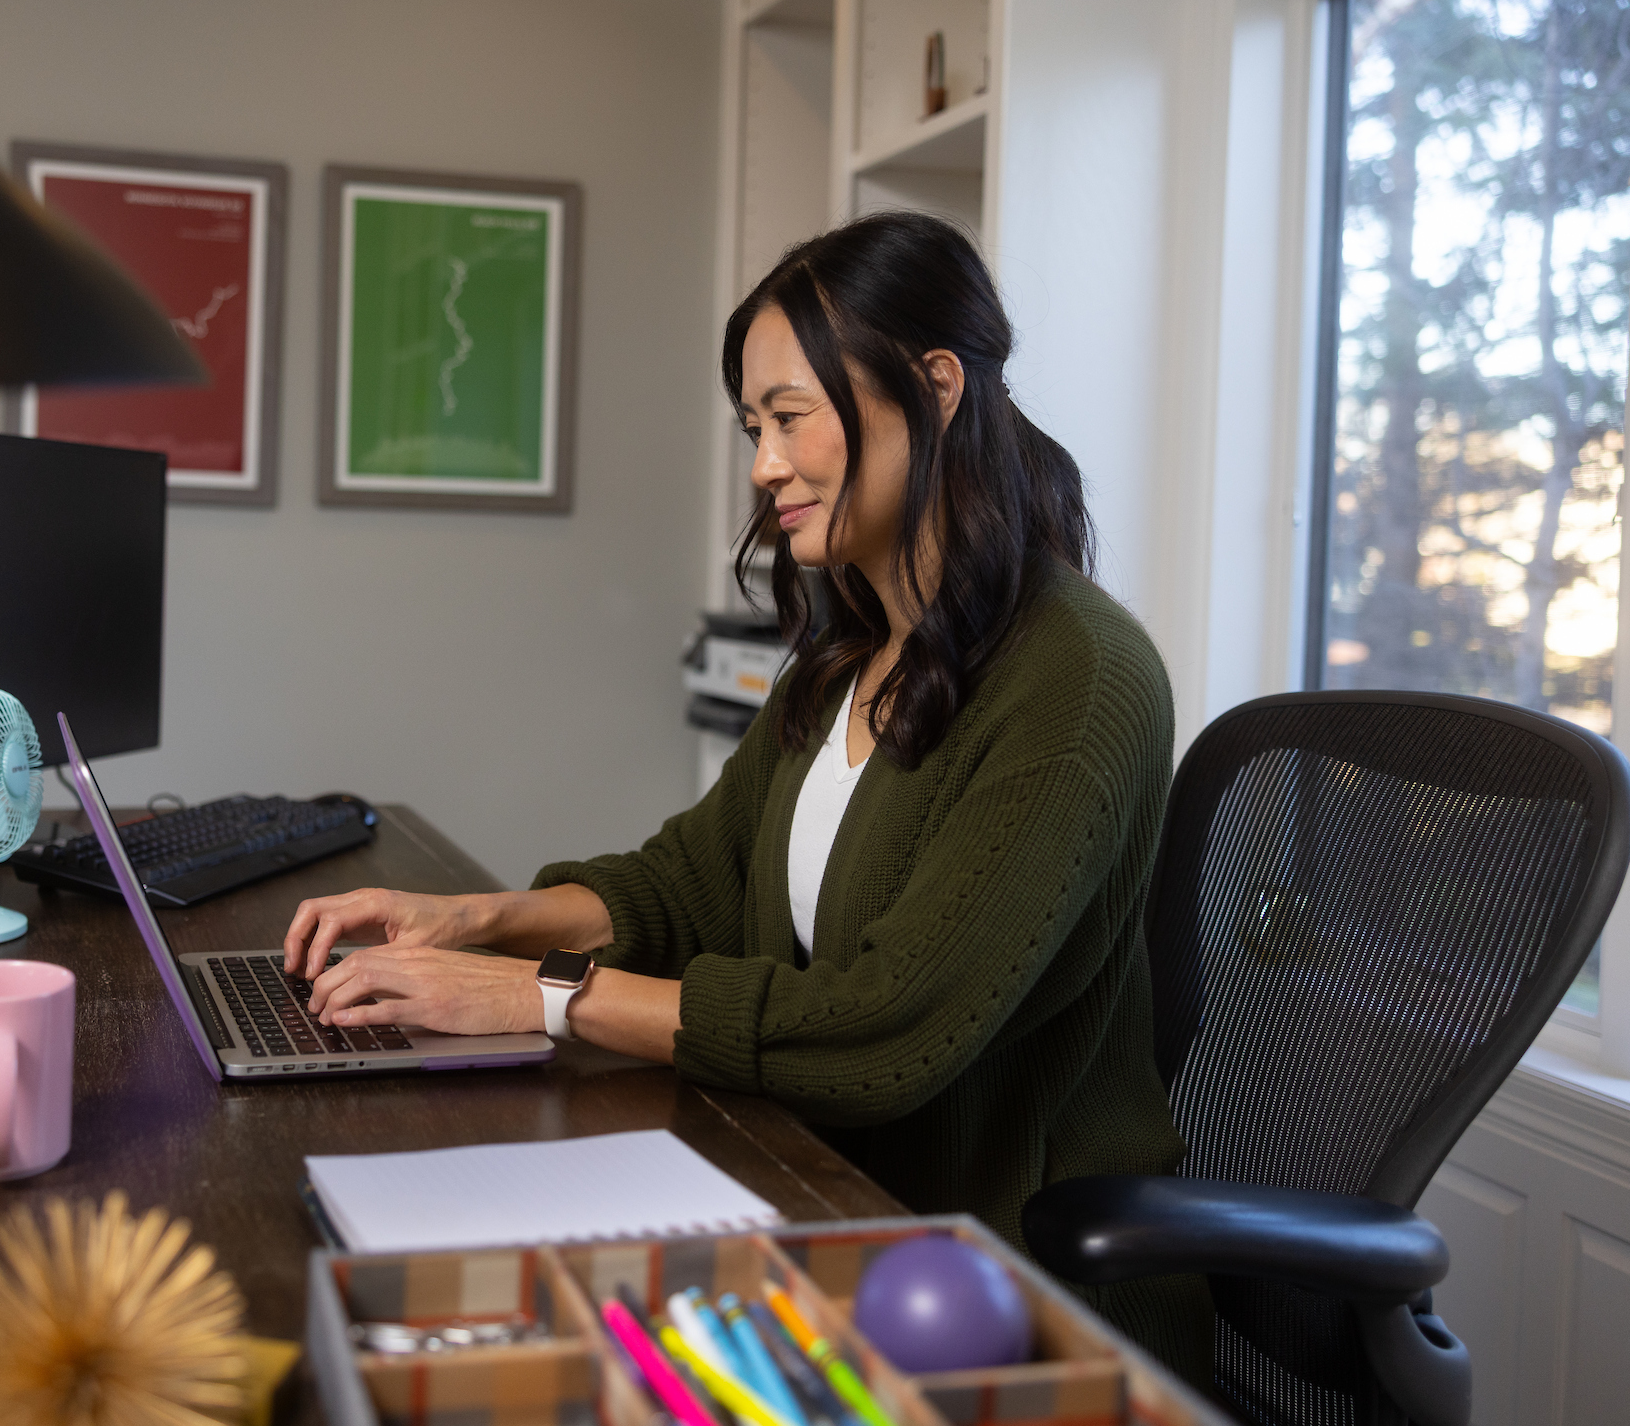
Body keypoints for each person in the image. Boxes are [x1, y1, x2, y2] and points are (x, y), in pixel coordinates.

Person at [283, 211, 1212, 1377]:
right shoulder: (853, 649)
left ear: (933, 388)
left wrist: (539, 996)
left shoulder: (1075, 678)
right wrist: (473, 920)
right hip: (823, 1201)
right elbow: (696, 879)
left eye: (789, 418)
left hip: (1001, 1295)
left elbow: (889, 1031)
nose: (764, 464)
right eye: (752, 426)